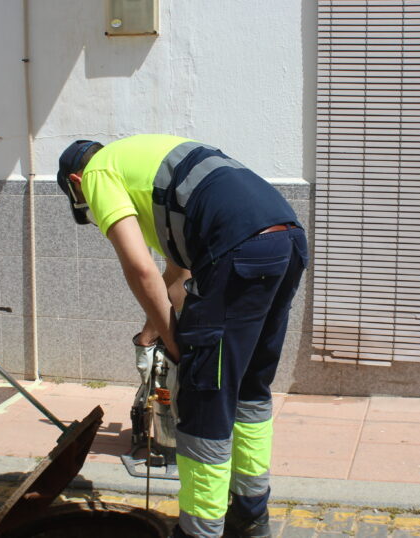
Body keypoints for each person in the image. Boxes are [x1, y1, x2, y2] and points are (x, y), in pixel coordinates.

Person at [57, 135, 308, 538]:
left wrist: (179, 351)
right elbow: (177, 275)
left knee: (203, 398)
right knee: (247, 390)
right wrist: (150, 335)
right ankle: (251, 515)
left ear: (76, 180)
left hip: (240, 251)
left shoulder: (99, 172)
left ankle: (200, 530)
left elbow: (139, 269)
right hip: (286, 239)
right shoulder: (147, 161)